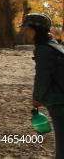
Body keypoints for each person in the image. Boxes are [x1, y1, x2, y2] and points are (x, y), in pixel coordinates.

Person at [21, 13, 64, 158]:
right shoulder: (54, 45)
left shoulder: (45, 50)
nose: (24, 32)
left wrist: (37, 98)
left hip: (59, 101)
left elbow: (42, 77)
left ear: (36, 29)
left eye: (27, 29)